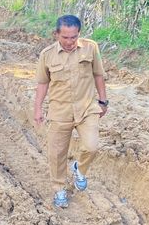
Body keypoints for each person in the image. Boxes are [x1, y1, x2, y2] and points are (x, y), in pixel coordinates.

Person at [33, 15, 108, 208]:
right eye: (65, 37)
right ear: (56, 34)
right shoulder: (47, 55)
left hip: (86, 108)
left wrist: (103, 100)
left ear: (79, 34)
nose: (69, 42)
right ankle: (59, 190)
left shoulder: (91, 48)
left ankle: (79, 169)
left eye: (73, 37)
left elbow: (98, 75)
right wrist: (38, 109)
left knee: (91, 146)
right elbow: (43, 84)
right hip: (60, 111)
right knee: (56, 154)